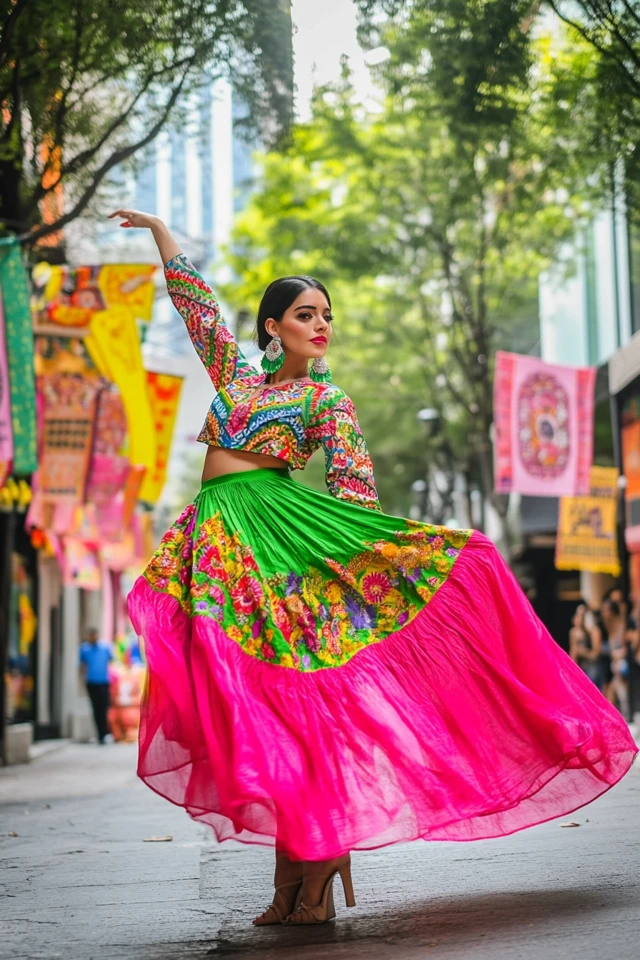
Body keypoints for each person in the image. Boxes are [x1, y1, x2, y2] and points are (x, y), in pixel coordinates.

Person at [113, 208, 638, 927]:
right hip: (219, 545)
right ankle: (300, 868)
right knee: (256, 708)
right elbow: (196, 304)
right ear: (274, 326)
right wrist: (160, 232)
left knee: (294, 702)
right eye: (305, 313)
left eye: (327, 314)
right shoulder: (235, 377)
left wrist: (370, 566)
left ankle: (312, 871)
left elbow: (356, 492)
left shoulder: (326, 400)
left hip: (280, 544)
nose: (321, 324)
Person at [79, 628, 113, 744]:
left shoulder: (105, 648)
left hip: (103, 682)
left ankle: (105, 733)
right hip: (91, 682)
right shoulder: (84, 649)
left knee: (104, 708)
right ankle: (100, 734)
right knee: (96, 709)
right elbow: (82, 666)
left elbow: (111, 662)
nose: (92, 638)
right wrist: (82, 681)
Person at [569, 601, 602, 688]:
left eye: (582, 615)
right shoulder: (574, 632)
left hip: (593, 666)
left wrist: (583, 652)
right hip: (581, 667)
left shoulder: (594, 631)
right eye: (578, 615)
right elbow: (573, 655)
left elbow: (596, 655)